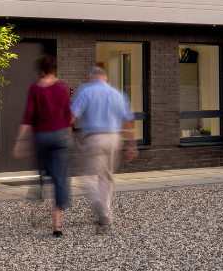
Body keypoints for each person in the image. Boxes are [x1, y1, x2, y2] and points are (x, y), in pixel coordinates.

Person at [70, 66, 137, 231]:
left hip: (94, 138)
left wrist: (66, 136)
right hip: (114, 138)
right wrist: (131, 145)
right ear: (105, 79)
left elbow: (71, 116)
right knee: (106, 177)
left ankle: (100, 204)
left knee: (86, 175)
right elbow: (129, 121)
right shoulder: (118, 94)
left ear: (91, 77)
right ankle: (105, 216)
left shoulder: (85, 91)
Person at [14, 54, 73, 237]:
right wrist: (68, 137)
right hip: (60, 136)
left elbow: (28, 116)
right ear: (55, 69)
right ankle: (56, 225)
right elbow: (67, 115)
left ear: (41, 70)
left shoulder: (35, 88)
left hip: (42, 137)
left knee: (41, 174)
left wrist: (19, 142)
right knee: (60, 179)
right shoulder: (63, 87)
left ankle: (35, 210)